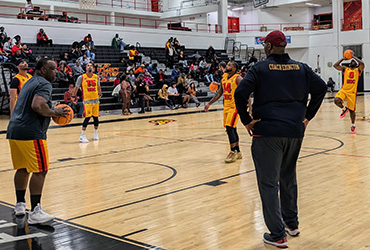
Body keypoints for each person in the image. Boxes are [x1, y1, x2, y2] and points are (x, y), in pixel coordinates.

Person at [234, 30, 327, 248]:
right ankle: (291, 224)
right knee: (288, 177)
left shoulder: (259, 69)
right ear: (284, 46)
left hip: (267, 132)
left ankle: (277, 234)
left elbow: (240, 94)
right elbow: (321, 88)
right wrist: (307, 116)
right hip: (294, 131)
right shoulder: (301, 68)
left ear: (268, 47)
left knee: (268, 183)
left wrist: (246, 120)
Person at [7, 58, 69, 225]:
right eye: (53, 69)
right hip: (31, 132)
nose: (56, 72)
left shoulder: (29, 82)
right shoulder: (44, 84)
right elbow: (38, 105)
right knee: (40, 170)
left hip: (14, 130)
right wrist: (54, 111)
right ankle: (35, 211)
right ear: (42, 70)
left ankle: (20, 205)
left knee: (23, 168)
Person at [204, 61, 243, 163]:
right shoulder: (224, 77)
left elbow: (245, 91)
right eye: (227, 64)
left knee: (230, 129)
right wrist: (209, 103)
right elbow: (219, 92)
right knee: (232, 129)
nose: (227, 66)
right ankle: (238, 151)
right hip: (226, 107)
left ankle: (232, 152)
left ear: (234, 69)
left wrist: (250, 107)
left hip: (235, 107)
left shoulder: (238, 78)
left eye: (230, 65)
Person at [333, 52, 365, 134]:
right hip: (344, 90)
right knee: (336, 100)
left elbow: (362, 64)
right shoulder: (345, 69)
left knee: (352, 111)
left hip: (352, 93)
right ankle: (344, 109)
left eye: (354, 61)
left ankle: (353, 125)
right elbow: (335, 66)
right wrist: (343, 58)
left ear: (356, 64)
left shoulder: (358, 70)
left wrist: (353, 56)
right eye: (351, 61)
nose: (352, 61)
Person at [73, 62, 102, 143]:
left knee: (96, 118)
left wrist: (100, 93)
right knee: (88, 117)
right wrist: (73, 96)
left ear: (93, 68)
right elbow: (76, 87)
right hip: (87, 100)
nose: (89, 67)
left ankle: (95, 132)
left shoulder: (96, 77)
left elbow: (98, 86)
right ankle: (82, 135)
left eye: (91, 66)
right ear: (85, 68)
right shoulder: (81, 77)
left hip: (95, 99)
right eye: (88, 66)